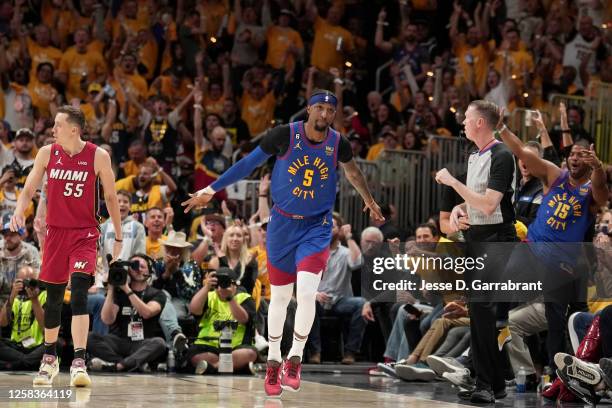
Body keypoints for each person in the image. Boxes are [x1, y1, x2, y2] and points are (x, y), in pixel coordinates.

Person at [182, 89, 383, 397]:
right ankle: (274, 358)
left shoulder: (337, 143)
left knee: (305, 292)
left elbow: (353, 171)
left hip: (317, 227)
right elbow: (248, 164)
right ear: (309, 109)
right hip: (282, 226)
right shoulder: (284, 136)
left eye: (331, 111)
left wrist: (368, 200)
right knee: (279, 298)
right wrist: (212, 188)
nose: (325, 116)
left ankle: (295, 357)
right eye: (319, 109)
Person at [10, 106, 123, 387]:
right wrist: (19, 210)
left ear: (74, 129)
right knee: (55, 298)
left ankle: (79, 362)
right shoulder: (47, 153)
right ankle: (49, 360)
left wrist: (118, 236)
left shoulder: (98, 156)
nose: (52, 129)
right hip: (56, 234)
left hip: (85, 234)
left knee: (81, 294)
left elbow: (110, 197)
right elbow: (29, 187)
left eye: (58, 125)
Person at [435, 100, 518, 403]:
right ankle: (493, 382)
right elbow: (474, 202)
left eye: (468, 119)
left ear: (481, 123)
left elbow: (488, 204)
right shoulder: (474, 155)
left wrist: (452, 182)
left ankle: (487, 381)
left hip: (498, 238)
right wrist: (457, 211)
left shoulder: (503, 155)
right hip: (476, 237)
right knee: (478, 313)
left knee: (483, 309)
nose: (464, 123)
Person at [88, 254, 167, 373]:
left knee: (159, 343)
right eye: (134, 266)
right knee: (89, 337)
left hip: (142, 343)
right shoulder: (119, 292)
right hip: (119, 342)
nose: (138, 269)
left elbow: (147, 312)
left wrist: (127, 290)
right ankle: (128, 363)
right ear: (128, 270)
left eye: (142, 266)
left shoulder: (157, 294)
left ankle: (117, 365)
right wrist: (111, 289)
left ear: (150, 271)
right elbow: (107, 319)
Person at [187, 267, 257, 375]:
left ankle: (212, 368)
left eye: (225, 283)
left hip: (234, 348)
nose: (221, 288)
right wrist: (206, 287)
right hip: (209, 346)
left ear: (234, 285)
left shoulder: (244, 298)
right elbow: (194, 310)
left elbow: (244, 319)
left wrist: (230, 298)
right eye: (218, 284)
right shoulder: (209, 296)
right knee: (195, 355)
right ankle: (237, 368)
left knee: (249, 353)